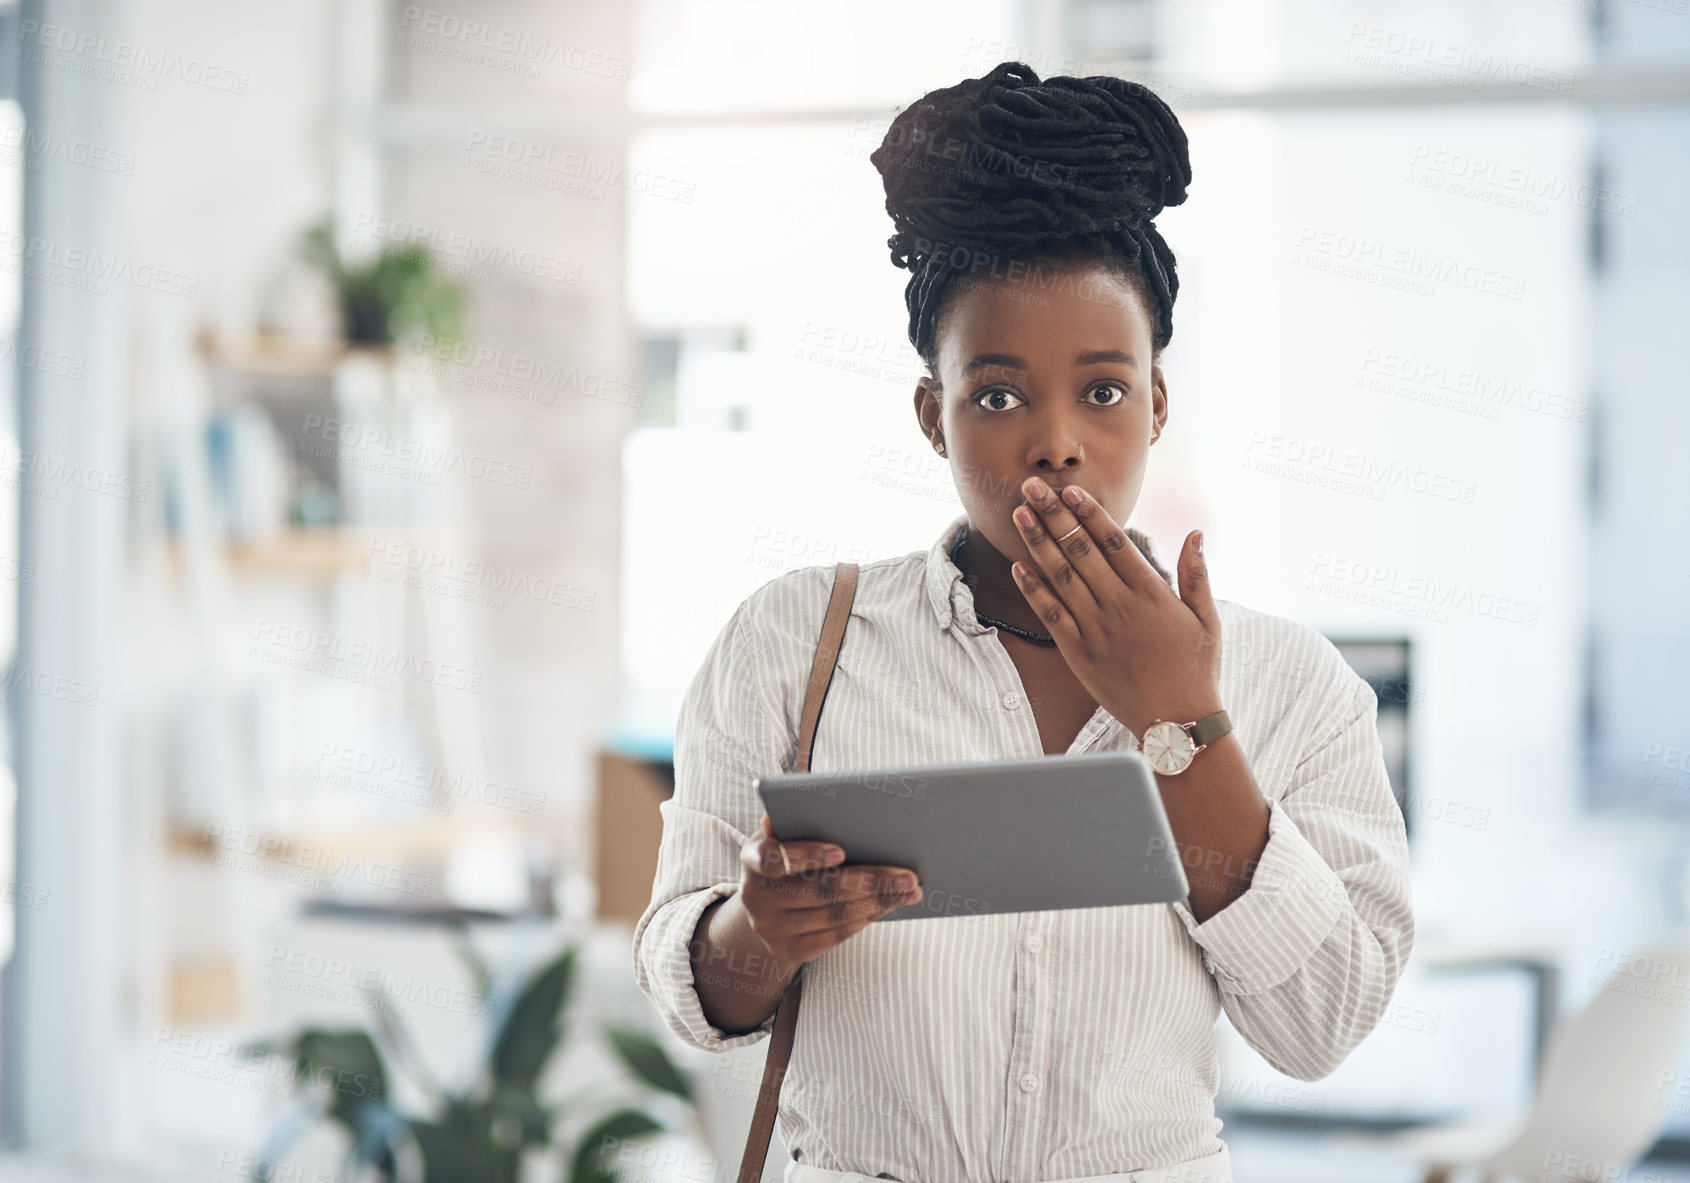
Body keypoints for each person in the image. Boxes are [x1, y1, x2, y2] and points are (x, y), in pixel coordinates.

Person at [633, 61, 1413, 1183]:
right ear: (931, 416)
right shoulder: (793, 640)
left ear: (1153, 400)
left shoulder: (1292, 683)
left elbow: (1323, 1023)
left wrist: (1180, 719)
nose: (1054, 442)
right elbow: (683, 977)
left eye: (1101, 390)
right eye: (996, 394)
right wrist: (754, 934)